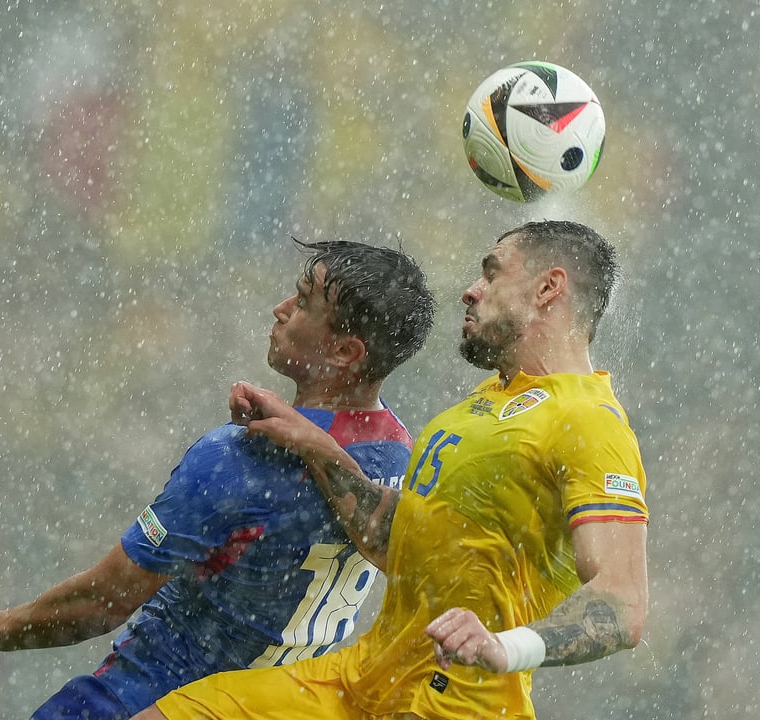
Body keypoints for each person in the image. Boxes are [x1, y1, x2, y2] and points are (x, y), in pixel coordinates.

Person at [131, 220, 650, 720]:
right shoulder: (487, 401)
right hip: (360, 681)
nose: (471, 290)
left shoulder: (590, 420)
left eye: (491, 273)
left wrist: (508, 646)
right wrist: (313, 442)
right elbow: (395, 540)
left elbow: (623, 604)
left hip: (452, 706)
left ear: (549, 288)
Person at [0, 239, 436, 719]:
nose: (280, 309)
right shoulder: (402, 455)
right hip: (277, 705)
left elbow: (102, 602)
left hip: (150, 695)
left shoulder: (240, 460)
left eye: (301, 301)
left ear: (345, 351)